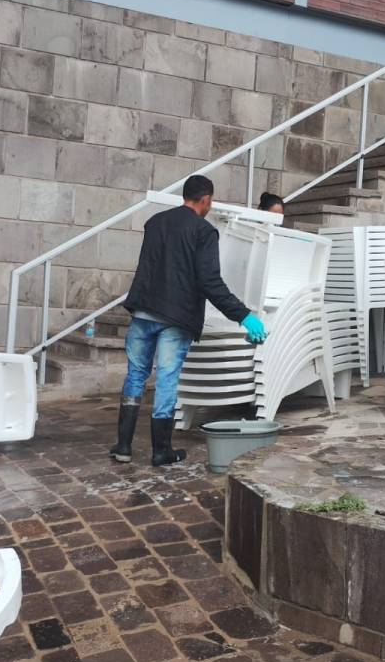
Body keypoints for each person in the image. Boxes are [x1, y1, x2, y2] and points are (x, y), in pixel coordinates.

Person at [110, 174, 267, 467]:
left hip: (143, 311)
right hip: (176, 317)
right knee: (166, 379)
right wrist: (244, 315)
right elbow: (210, 282)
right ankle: (161, 451)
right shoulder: (204, 231)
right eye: (211, 201)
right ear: (206, 199)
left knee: (135, 376)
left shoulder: (155, 222)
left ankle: (123, 446)